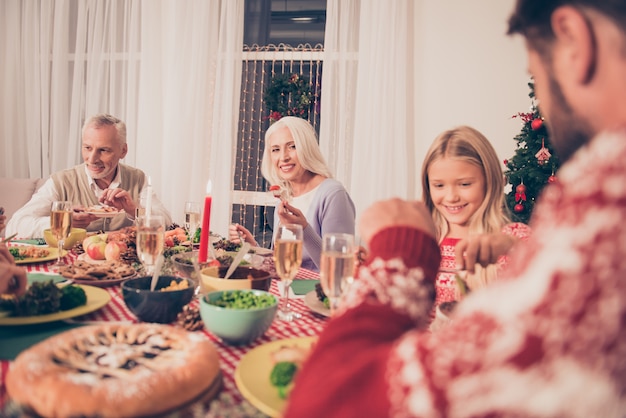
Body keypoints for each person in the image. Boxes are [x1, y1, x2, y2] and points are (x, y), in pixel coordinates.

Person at [283, 1, 626, 416]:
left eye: (535, 76)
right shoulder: (595, 211)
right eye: (440, 185)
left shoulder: (602, 213)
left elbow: (328, 403)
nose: (547, 111)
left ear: (574, 38)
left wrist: (400, 253)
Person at [6, 114, 171, 238]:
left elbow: (168, 224)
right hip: (73, 267)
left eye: (103, 150)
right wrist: (65, 223)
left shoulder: (137, 179)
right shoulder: (61, 181)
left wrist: (134, 210)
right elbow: (15, 226)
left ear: (123, 151)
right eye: (87, 148)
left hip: (123, 267)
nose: (92, 159)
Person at [421, 126, 531, 308]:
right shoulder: (422, 241)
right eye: (439, 186)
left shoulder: (511, 238)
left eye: (464, 184)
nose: (451, 197)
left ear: (489, 181)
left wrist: (511, 246)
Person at [229, 116, 355, 272]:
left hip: (316, 294)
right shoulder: (285, 196)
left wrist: (304, 229)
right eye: (276, 149)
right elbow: (281, 265)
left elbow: (339, 270)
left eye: (292, 146)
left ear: (307, 148)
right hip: (285, 290)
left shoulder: (333, 195)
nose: (283, 157)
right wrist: (252, 247)